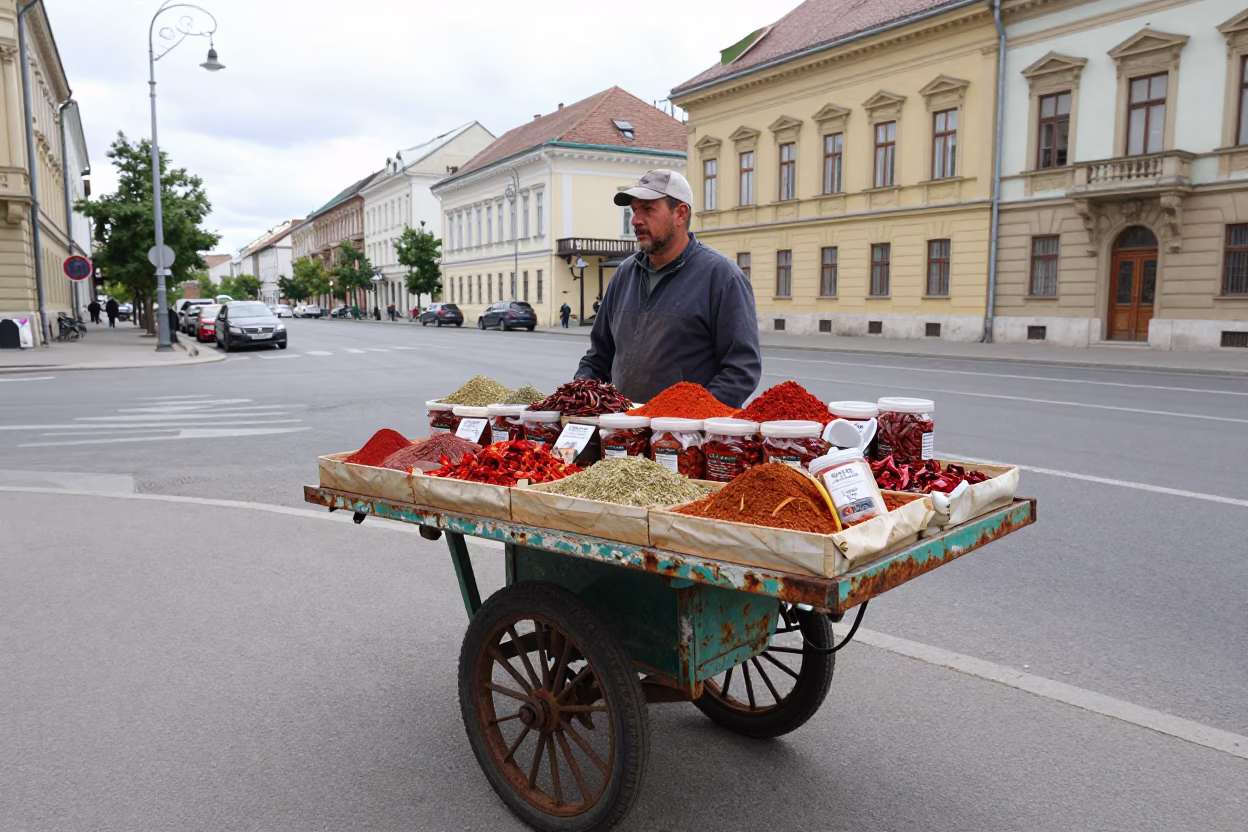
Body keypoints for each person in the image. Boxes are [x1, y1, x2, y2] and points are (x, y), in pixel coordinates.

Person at [574, 169, 761, 408]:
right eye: (634, 210)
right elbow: (598, 356)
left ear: (680, 214)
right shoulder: (624, 274)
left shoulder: (722, 277)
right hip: (622, 432)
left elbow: (741, 371)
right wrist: (580, 392)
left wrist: (683, 417)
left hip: (686, 438)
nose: (636, 220)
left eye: (648, 209)